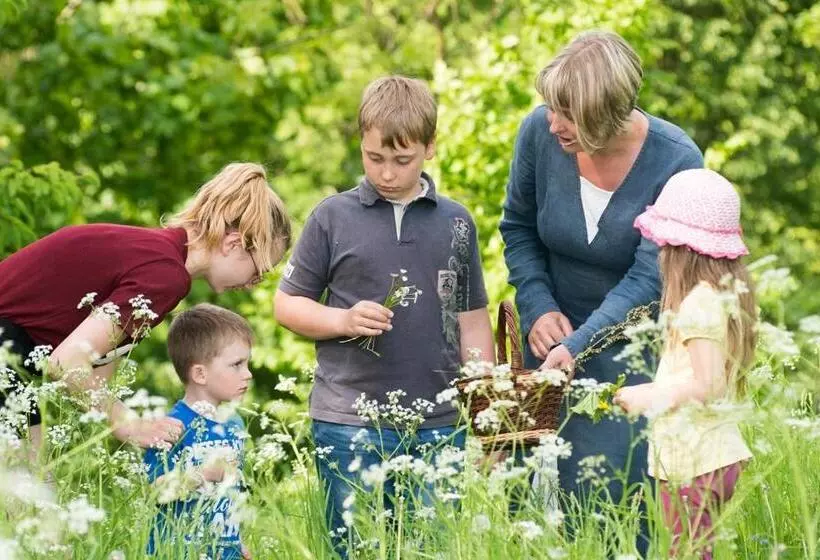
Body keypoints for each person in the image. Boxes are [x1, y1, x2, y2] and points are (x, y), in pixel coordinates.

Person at [498, 30, 704, 547]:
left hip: (631, 355)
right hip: (547, 349)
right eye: (550, 107)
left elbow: (647, 279)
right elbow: (518, 228)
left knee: (613, 504)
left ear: (605, 113)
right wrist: (538, 306)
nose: (552, 123)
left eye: (566, 113)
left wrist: (580, 343)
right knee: (533, 509)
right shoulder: (539, 136)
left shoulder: (677, 162)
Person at [274, 75, 494, 553]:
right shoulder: (331, 217)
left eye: (402, 159)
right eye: (375, 158)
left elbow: (473, 319)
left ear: (430, 148)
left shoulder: (457, 222)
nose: (388, 173)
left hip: (437, 422)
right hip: (348, 419)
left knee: (431, 547)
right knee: (353, 547)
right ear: (361, 146)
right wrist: (343, 320)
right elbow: (287, 304)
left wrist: (484, 407)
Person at [0, 162, 291, 450]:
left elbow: (97, 370)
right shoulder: (166, 276)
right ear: (234, 244)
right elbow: (66, 363)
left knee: (34, 482)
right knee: (26, 484)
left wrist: (148, 425)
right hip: (7, 343)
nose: (255, 282)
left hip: (13, 350)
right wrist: (129, 424)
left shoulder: (159, 255)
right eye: (259, 270)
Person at [614, 169, 755, 559]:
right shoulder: (720, 298)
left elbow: (709, 385)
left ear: (681, 250)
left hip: (695, 461)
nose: (660, 254)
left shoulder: (698, 303)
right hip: (713, 456)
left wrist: (650, 397)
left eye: (664, 245)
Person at [143, 303, 254, 559]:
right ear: (200, 374)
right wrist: (203, 474)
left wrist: (237, 543)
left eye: (247, 363)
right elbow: (154, 491)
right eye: (237, 364)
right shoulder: (171, 427)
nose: (248, 374)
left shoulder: (234, 424)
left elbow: (229, 497)